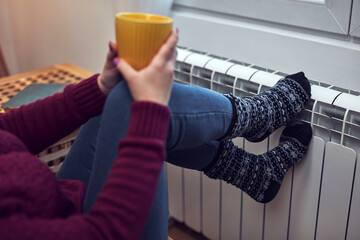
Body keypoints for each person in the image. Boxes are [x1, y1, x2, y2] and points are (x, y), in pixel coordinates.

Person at [58, 33, 312, 239]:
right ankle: (255, 116)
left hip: (60, 202)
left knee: (111, 101)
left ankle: (252, 171)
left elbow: (19, 126)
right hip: (72, 228)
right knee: (132, 103)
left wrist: (99, 87)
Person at [0, 30, 178, 240]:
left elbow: (9, 130)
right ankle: (224, 137)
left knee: (117, 95)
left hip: (63, 200)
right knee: (128, 100)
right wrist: (150, 111)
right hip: (97, 227)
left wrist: (100, 88)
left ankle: (222, 149)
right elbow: (104, 234)